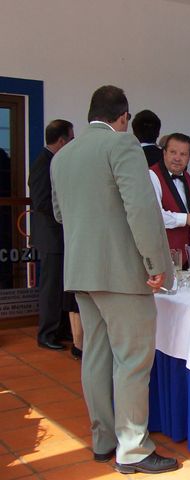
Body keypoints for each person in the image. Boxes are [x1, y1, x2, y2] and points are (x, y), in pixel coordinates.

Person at [50, 85, 177, 474]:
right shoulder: (123, 146)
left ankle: (103, 440)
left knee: (96, 357)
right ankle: (134, 449)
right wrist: (156, 263)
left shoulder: (62, 156)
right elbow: (141, 210)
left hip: (81, 272)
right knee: (133, 362)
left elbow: (59, 214)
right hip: (122, 273)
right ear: (123, 118)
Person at [29, 119, 75, 351]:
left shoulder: (54, 161)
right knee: (51, 286)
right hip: (51, 235)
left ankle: (61, 329)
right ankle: (46, 333)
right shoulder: (43, 163)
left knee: (62, 285)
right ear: (61, 141)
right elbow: (41, 201)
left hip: (60, 236)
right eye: (71, 138)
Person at [149, 133, 190, 268]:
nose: (177, 158)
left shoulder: (189, 179)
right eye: (173, 152)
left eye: (183, 154)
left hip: (184, 261)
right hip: (159, 259)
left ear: (189, 158)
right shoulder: (152, 176)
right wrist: (185, 219)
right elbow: (153, 216)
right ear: (164, 153)